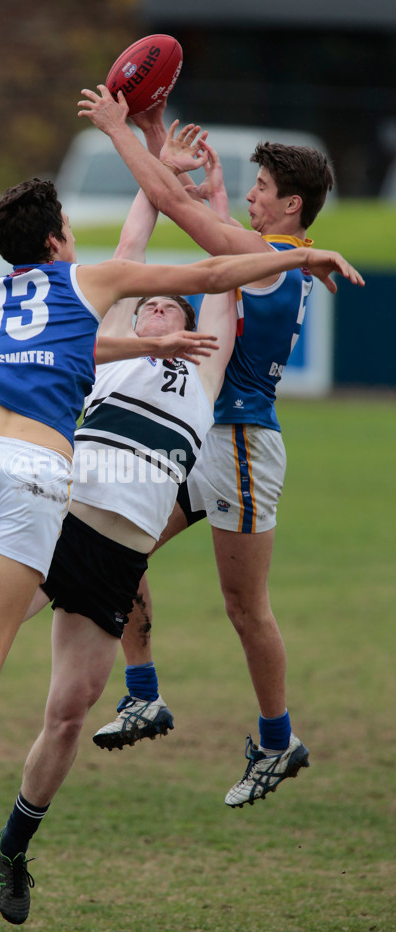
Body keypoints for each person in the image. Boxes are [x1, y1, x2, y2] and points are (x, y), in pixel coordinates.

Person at [0, 175, 342, 874]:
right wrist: (154, 170)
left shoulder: (204, 364)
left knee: (66, 710)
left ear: (186, 320)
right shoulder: (107, 336)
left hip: (111, 549)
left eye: (164, 305)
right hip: (54, 508)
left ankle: (8, 843)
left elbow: (220, 271)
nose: (154, 308)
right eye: (144, 304)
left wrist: (208, 197)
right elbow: (138, 257)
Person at [78, 85, 352, 809]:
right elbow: (199, 215)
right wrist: (155, 127)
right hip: (203, 441)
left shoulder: (272, 256)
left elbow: (178, 210)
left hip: (241, 447)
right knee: (117, 545)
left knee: (245, 608)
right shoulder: (272, 254)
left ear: (292, 207)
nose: (254, 198)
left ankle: (277, 740)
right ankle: (143, 694)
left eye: (263, 189)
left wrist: (119, 132)